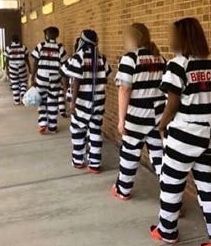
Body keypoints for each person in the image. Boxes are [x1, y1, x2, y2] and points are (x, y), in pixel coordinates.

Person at [150, 18, 211, 246]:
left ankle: (167, 231)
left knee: (171, 182)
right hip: (209, 131)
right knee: (208, 186)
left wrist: (161, 125)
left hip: (184, 132)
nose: (169, 38)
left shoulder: (178, 65)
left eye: (171, 34)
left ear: (182, 38)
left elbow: (173, 101)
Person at [110, 23, 166, 200]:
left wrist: (121, 120)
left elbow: (124, 90)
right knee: (160, 158)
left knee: (130, 153)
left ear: (132, 38)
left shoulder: (130, 59)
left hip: (136, 116)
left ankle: (123, 189)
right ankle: (170, 198)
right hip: (158, 116)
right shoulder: (160, 59)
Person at [61, 29, 111, 174]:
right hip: (98, 101)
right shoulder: (101, 58)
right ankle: (95, 163)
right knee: (95, 130)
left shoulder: (79, 56)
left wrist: (73, 102)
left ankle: (78, 160)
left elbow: (76, 79)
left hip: (82, 101)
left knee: (78, 129)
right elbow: (106, 75)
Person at [31, 26, 68, 133]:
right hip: (55, 79)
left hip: (41, 78)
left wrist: (32, 77)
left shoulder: (41, 46)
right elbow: (65, 65)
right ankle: (52, 127)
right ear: (57, 35)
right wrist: (65, 83)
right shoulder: (60, 47)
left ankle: (43, 123)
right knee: (52, 103)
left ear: (47, 34)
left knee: (41, 101)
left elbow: (35, 63)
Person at [5, 34, 31, 105]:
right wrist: (29, 68)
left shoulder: (8, 48)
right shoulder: (24, 48)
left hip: (12, 68)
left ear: (11, 40)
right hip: (22, 67)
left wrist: (7, 69)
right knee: (23, 82)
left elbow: (7, 60)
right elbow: (26, 59)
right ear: (18, 40)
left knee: (14, 83)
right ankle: (22, 94)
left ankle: (16, 101)